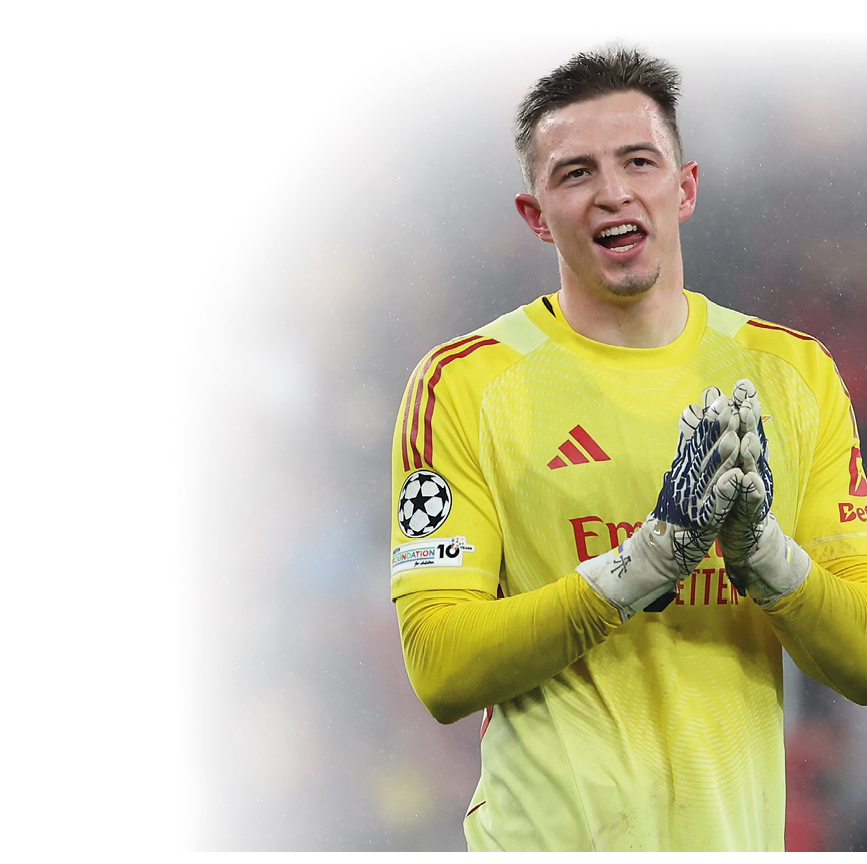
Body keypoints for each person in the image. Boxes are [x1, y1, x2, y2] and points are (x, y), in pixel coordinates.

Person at [388, 46, 867, 852]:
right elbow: (440, 668)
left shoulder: (792, 375)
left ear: (683, 189)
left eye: (637, 162)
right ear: (534, 213)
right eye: (574, 173)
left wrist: (763, 558)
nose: (612, 192)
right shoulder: (465, 385)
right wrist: (642, 563)